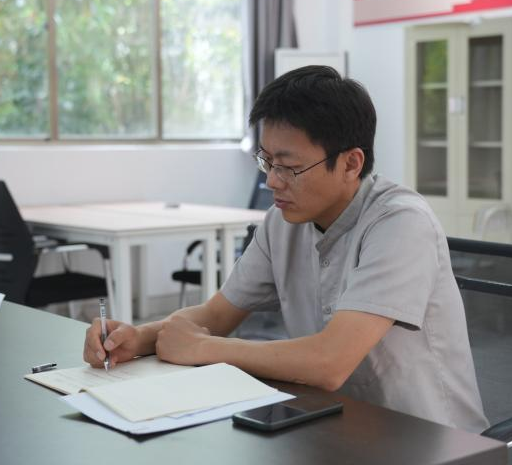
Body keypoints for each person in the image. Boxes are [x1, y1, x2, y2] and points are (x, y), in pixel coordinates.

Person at [83, 66, 488, 432]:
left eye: (289, 167)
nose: (272, 181)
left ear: (351, 163)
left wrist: (204, 349)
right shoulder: (282, 223)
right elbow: (216, 315)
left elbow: (330, 362)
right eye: (266, 161)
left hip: (430, 440)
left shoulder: (400, 223)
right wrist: (138, 338)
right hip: (333, 425)